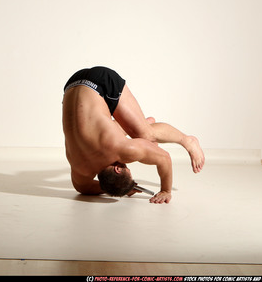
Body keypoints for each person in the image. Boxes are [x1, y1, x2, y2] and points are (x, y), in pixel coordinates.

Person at [62, 66, 205, 204]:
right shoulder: (80, 171)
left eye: (128, 170)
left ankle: (187, 140)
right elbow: (82, 189)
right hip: (72, 83)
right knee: (107, 130)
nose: (127, 166)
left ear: (118, 169)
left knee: (146, 135)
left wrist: (166, 190)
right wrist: (119, 188)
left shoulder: (124, 150)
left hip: (101, 82)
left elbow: (164, 158)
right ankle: (136, 124)